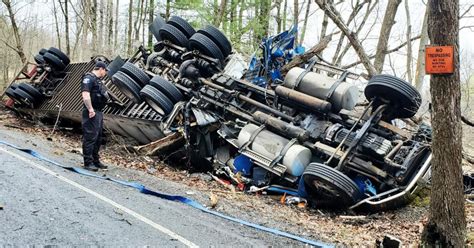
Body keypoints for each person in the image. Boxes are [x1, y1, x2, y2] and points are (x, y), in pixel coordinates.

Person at [81, 61, 110, 171]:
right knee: (90, 137)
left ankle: (95, 161)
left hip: (98, 111)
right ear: (101, 69)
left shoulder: (98, 80)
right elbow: (85, 94)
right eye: (105, 71)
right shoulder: (89, 78)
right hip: (91, 111)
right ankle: (88, 163)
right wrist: (90, 109)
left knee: (98, 138)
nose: (105, 73)